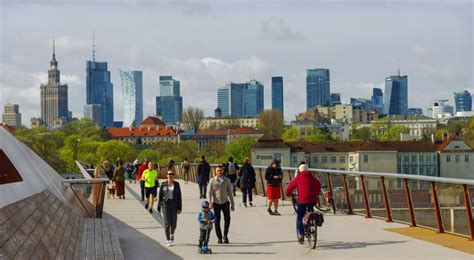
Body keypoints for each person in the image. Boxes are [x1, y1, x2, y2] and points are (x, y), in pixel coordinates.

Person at [285, 164, 322, 244]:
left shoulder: (298, 178)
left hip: (303, 200)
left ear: (299, 170)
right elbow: (319, 186)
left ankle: (301, 235)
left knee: (300, 216)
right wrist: (317, 193)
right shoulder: (313, 177)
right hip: (313, 200)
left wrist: (288, 194)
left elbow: (289, 188)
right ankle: (312, 222)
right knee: (310, 210)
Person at [208, 165, 235, 244]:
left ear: (223, 171)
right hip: (216, 203)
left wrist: (232, 204)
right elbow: (209, 192)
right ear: (215, 172)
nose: (219, 172)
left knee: (227, 219)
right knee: (217, 221)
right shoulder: (212, 180)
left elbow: (230, 193)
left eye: (220, 170)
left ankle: (225, 235)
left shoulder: (227, 180)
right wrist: (210, 202)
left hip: (225, 202)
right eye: (218, 170)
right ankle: (219, 237)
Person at [158, 169, 182, 247]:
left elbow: (179, 197)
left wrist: (179, 208)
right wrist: (158, 206)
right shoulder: (163, 184)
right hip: (165, 204)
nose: (171, 175)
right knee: (167, 223)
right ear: (167, 175)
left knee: (174, 224)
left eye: (172, 174)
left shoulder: (177, 184)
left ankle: (172, 233)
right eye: (169, 174)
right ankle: (168, 239)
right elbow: (160, 196)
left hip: (174, 205)